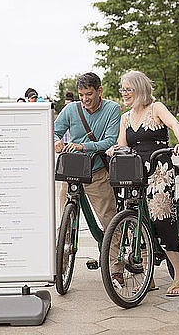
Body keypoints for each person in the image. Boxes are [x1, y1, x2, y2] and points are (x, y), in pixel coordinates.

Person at [106, 70, 179, 297]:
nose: (124, 93)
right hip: (135, 172)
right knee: (136, 221)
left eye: (128, 89)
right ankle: (148, 276)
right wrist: (114, 149)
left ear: (140, 89)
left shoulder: (156, 108)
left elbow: (175, 124)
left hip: (159, 169)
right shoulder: (125, 117)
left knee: (161, 218)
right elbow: (122, 144)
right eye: (122, 89)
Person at [53, 72, 124, 276]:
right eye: (81, 95)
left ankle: (115, 270)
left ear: (99, 91)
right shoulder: (71, 109)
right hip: (73, 172)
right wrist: (57, 140)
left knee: (109, 220)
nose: (84, 99)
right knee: (64, 224)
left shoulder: (112, 109)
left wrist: (82, 147)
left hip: (97, 171)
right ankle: (61, 268)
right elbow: (54, 130)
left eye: (89, 94)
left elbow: (111, 141)